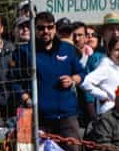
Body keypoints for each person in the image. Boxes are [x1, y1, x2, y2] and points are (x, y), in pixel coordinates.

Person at [28, 11, 85, 144]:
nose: (45, 31)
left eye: (49, 27)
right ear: (34, 29)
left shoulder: (67, 49)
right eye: (41, 28)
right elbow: (15, 82)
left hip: (67, 116)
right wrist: (27, 99)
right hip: (39, 118)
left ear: (55, 28)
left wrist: (72, 80)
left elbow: (82, 73)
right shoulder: (27, 51)